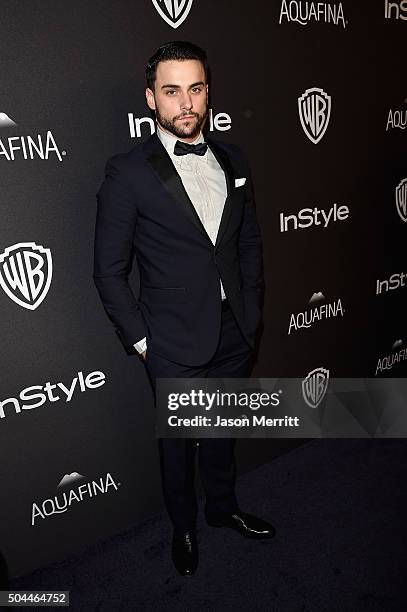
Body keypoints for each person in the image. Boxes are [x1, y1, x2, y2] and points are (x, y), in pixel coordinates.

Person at [93, 40, 275, 576]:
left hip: (234, 331)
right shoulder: (127, 172)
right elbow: (108, 271)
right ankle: (184, 528)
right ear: (151, 99)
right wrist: (144, 344)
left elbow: (247, 243)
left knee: (221, 431)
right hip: (171, 342)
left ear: (207, 92)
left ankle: (223, 509)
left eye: (195, 88)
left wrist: (254, 310)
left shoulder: (234, 159)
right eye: (172, 91)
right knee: (178, 446)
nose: (186, 103)